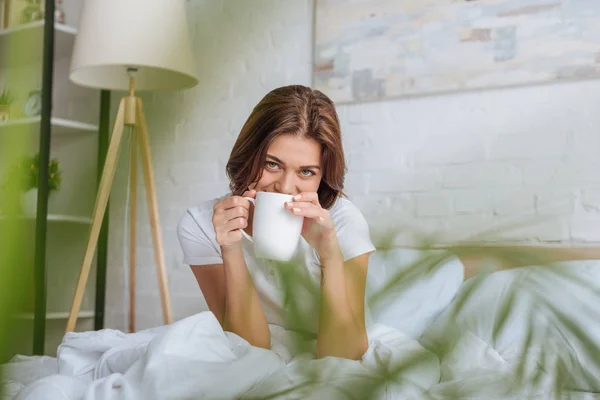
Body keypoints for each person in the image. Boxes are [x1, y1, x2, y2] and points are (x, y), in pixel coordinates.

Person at [177, 85, 375, 360]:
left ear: (322, 176)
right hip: (257, 350)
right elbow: (249, 348)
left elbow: (344, 355)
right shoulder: (202, 224)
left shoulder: (342, 221)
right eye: (272, 164)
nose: (285, 187)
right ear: (249, 156)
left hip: (332, 346)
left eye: (306, 172)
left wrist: (330, 254)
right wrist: (231, 249)